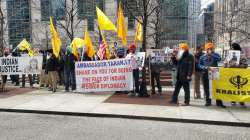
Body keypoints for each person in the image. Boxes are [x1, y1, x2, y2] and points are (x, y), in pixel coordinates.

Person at [199, 43, 226, 108]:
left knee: (217, 87)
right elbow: (199, 65)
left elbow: (219, 59)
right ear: (206, 49)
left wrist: (212, 55)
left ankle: (219, 102)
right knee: (206, 88)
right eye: (208, 49)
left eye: (211, 48)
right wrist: (205, 67)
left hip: (215, 73)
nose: (210, 49)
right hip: (205, 73)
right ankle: (208, 101)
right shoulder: (203, 56)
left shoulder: (216, 54)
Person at [225, 43, 248, 107]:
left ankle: (241, 100)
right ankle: (233, 100)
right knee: (232, 88)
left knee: (241, 88)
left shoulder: (242, 55)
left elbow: (245, 65)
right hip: (231, 74)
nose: (231, 49)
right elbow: (225, 64)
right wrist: (228, 65)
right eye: (231, 48)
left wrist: (239, 66)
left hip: (240, 75)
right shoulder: (229, 56)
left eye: (232, 48)